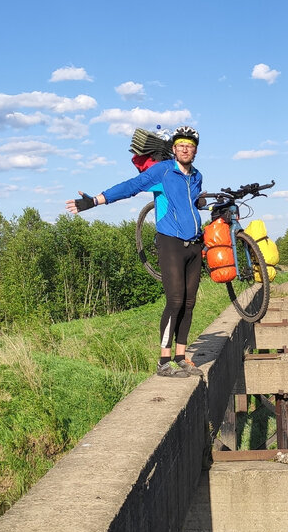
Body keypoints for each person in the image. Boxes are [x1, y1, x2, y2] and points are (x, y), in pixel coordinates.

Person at [66, 125, 204, 378]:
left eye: (190, 146)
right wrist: (94, 200)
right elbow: (131, 186)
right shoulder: (163, 171)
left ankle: (181, 356)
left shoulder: (196, 176)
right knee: (174, 301)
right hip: (171, 241)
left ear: (195, 151)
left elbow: (190, 202)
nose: (186, 149)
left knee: (189, 302)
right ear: (174, 149)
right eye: (181, 145)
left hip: (195, 244)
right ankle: (164, 362)